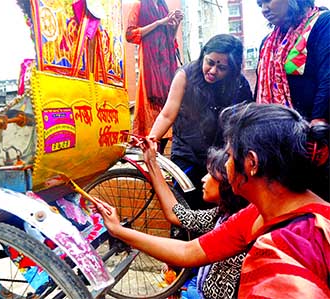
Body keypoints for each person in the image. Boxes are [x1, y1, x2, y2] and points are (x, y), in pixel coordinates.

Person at [96, 103, 330, 298]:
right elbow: (189, 251)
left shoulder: (287, 248)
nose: (225, 165)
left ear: (251, 163)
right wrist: (118, 230)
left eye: (229, 155)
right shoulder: (259, 213)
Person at [148, 34, 253, 210]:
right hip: (186, 154)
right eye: (210, 62)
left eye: (221, 68)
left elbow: (246, 121)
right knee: (184, 205)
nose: (212, 71)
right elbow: (167, 114)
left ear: (232, 70)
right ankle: (182, 237)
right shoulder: (185, 75)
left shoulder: (238, 84)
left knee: (217, 208)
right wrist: (152, 138)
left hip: (220, 157)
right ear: (203, 54)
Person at [142, 142, 248, 299]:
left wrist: (119, 232)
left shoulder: (238, 227)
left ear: (227, 181)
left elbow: (186, 252)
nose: (204, 179)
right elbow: (178, 215)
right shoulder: (222, 214)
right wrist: (152, 163)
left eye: (211, 174)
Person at [255, 0, 330, 201]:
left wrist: (319, 122)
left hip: (316, 142)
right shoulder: (269, 42)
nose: (263, 9)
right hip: (281, 146)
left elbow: (328, 76)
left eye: (267, 1)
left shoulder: (323, 24)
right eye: (259, 3)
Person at [126, 0, 183, 154]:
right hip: (149, 67)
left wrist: (175, 23)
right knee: (151, 111)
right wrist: (159, 23)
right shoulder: (138, 5)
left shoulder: (163, 6)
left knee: (168, 110)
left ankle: (159, 158)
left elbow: (171, 40)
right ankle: (151, 156)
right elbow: (130, 34)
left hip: (167, 66)